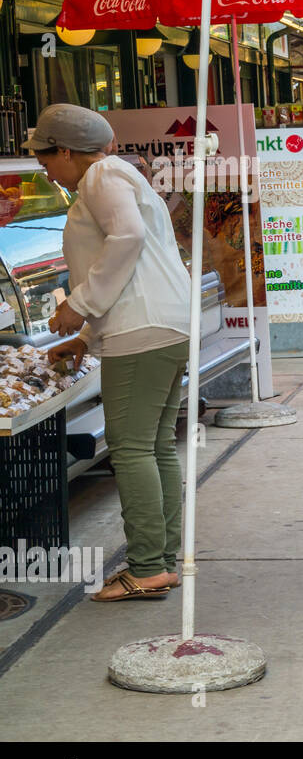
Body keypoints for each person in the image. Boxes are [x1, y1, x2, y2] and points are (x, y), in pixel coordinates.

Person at [31, 104, 192, 601]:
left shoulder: (100, 174)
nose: (42, 167)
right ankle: (162, 559)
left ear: (65, 150)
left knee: (132, 449)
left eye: (44, 157)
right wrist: (85, 339)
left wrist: (79, 306)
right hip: (161, 325)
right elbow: (132, 255)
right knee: (156, 445)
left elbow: (128, 237)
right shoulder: (117, 174)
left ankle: (145, 567)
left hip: (141, 331)